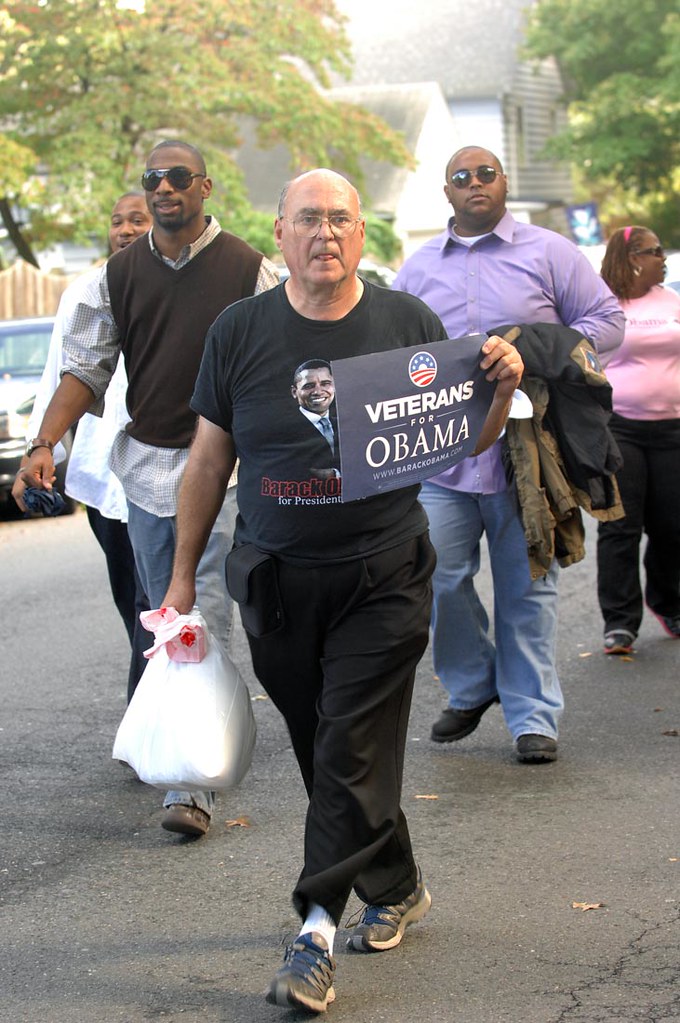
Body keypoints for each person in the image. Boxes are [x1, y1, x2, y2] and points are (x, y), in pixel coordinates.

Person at [161, 168, 523, 1013]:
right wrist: (180, 583)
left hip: (384, 573)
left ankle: (314, 932)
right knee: (328, 747)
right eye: (309, 220)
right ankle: (396, 883)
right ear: (279, 233)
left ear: (363, 234)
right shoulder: (239, 329)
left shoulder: (405, 322)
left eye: (342, 220)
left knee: (348, 745)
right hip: (276, 580)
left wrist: (500, 391)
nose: (326, 233)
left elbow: (463, 437)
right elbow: (209, 461)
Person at [14, 140, 279, 837]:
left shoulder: (251, 268)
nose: (164, 188)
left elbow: (286, 355)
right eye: (152, 179)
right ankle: (193, 754)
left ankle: (192, 783)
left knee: (206, 609)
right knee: (169, 616)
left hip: (226, 468)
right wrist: (46, 443)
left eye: (178, 177)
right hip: (148, 468)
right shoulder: (117, 276)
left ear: (205, 187)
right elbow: (84, 367)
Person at [394, 146, 625, 764]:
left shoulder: (548, 252)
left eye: (486, 173)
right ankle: (472, 685)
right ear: (446, 192)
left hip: (531, 454)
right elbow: (392, 352)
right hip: (443, 458)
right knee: (433, 574)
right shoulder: (415, 270)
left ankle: (533, 716)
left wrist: (547, 347)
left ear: (504, 182)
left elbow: (608, 319)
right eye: (461, 177)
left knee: (529, 585)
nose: (475, 183)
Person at [15, 193, 152, 703]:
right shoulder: (83, 292)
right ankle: (157, 702)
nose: (125, 229)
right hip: (101, 478)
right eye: (117, 221)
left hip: (165, 475)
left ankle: (148, 713)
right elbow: (59, 378)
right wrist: (41, 450)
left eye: (137, 219)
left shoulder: (178, 291)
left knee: (155, 597)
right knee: (131, 601)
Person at [597, 225, 680, 653]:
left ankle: (669, 603)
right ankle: (620, 622)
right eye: (655, 251)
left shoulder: (672, 302)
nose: (663, 258)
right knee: (621, 526)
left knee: (671, 524)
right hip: (622, 427)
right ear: (632, 258)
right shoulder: (606, 305)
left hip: (673, 430)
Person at [289, 359, 340, 478]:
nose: (318, 391)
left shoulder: (346, 424)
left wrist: (334, 475)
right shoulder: (284, 430)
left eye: (325, 383)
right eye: (309, 386)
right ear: (294, 392)